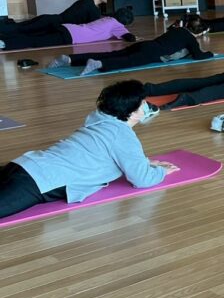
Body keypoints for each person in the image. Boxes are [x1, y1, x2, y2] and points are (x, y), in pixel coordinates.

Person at [0, 80, 177, 219]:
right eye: (143, 103)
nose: (146, 105)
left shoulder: (99, 120)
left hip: (22, 164)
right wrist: (161, 171)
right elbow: (142, 179)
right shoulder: (122, 135)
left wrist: (144, 162)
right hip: (38, 181)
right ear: (132, 112)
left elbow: (100, 152)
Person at [47, 14, 212, 76]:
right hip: (152, 53)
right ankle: (99, 64)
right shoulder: (190, 38)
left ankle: (70, 59)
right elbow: (198, 56)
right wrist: (210, 54)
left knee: (113, 54)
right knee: (127, 62)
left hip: (146, 45)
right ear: (199, 32)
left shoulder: (177, 30)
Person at [0, 0, 110, 36]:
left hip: (49, 20)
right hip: (51, 23)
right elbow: (94, 30)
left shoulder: (85, 2)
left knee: (18, 27)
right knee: (19, 30)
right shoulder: (92, 8)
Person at [0, 8, 135, 51]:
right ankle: (5, 44)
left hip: (67, 27)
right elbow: (130, 38)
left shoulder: (107, 18)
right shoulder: (118, 26)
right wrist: (129, 33)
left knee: (34, 34)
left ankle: (4, 38)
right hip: (70, 37)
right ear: (125, 22)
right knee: (35, 41)